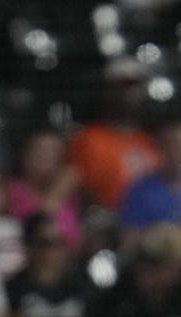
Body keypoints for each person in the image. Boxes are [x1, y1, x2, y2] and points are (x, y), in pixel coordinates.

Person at [66, 56, 162, 211]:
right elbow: (76, 189)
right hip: (104, 223)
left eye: (135, 85)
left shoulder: (153, 141)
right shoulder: (88, 139)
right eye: (123, 85)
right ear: (108, 90)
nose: (129, 92)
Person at [6, 212, 88, 317]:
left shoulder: (80, 283)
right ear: (28, 246)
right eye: (44, 243)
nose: (52, 250)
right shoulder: (14, 288)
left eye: (59, 242)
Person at [6, 129, 83, 254]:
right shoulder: (13, 189)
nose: (44, 156)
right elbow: (36, 229)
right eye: (38, 150)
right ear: (25, 154)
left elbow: (75, 240)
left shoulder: (69, 196)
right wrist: (57, 193)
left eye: (51, 151)